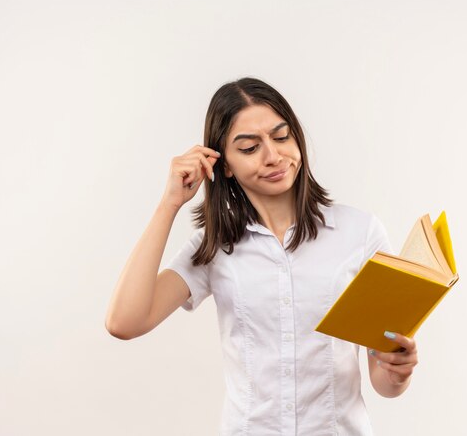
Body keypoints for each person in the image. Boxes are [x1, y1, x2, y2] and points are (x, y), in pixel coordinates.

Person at [105, 77, 419, 435]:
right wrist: (170, 203)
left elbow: (383, 382)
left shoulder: (360, 234)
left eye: (281, 137)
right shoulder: (215, 245)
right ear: (224, 165)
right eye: (250, 148)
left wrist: (397, 371)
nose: (273, 157)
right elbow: (124, 323)